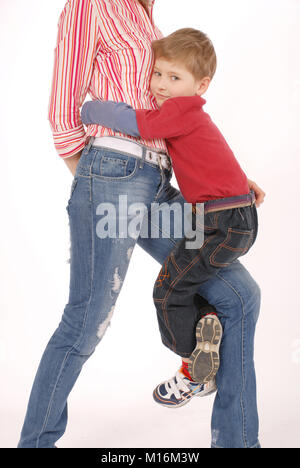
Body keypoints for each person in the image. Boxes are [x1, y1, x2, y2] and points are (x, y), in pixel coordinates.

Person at [18, 0, 264, 449]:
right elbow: (63, 107)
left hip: (160, 180)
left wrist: (226, 181)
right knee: (87, 320)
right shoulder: (90, 5)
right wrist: (97, 177)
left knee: (241, 295)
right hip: (112, 173)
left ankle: (237, 443)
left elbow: (173, 120)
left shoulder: (147, 18)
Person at [80, 28, 259, 391]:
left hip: (222, 222)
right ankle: (206, 329)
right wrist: (242, 188)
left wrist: (91, 108)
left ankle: (195, 368)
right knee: (184, 283)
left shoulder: (181, 109)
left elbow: (138, 122)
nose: (161, 85)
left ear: (201, 85)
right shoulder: (192, 115)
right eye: (157, 73)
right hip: (227, 216)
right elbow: (215, 159)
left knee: (167, 291)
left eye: (174, 77)